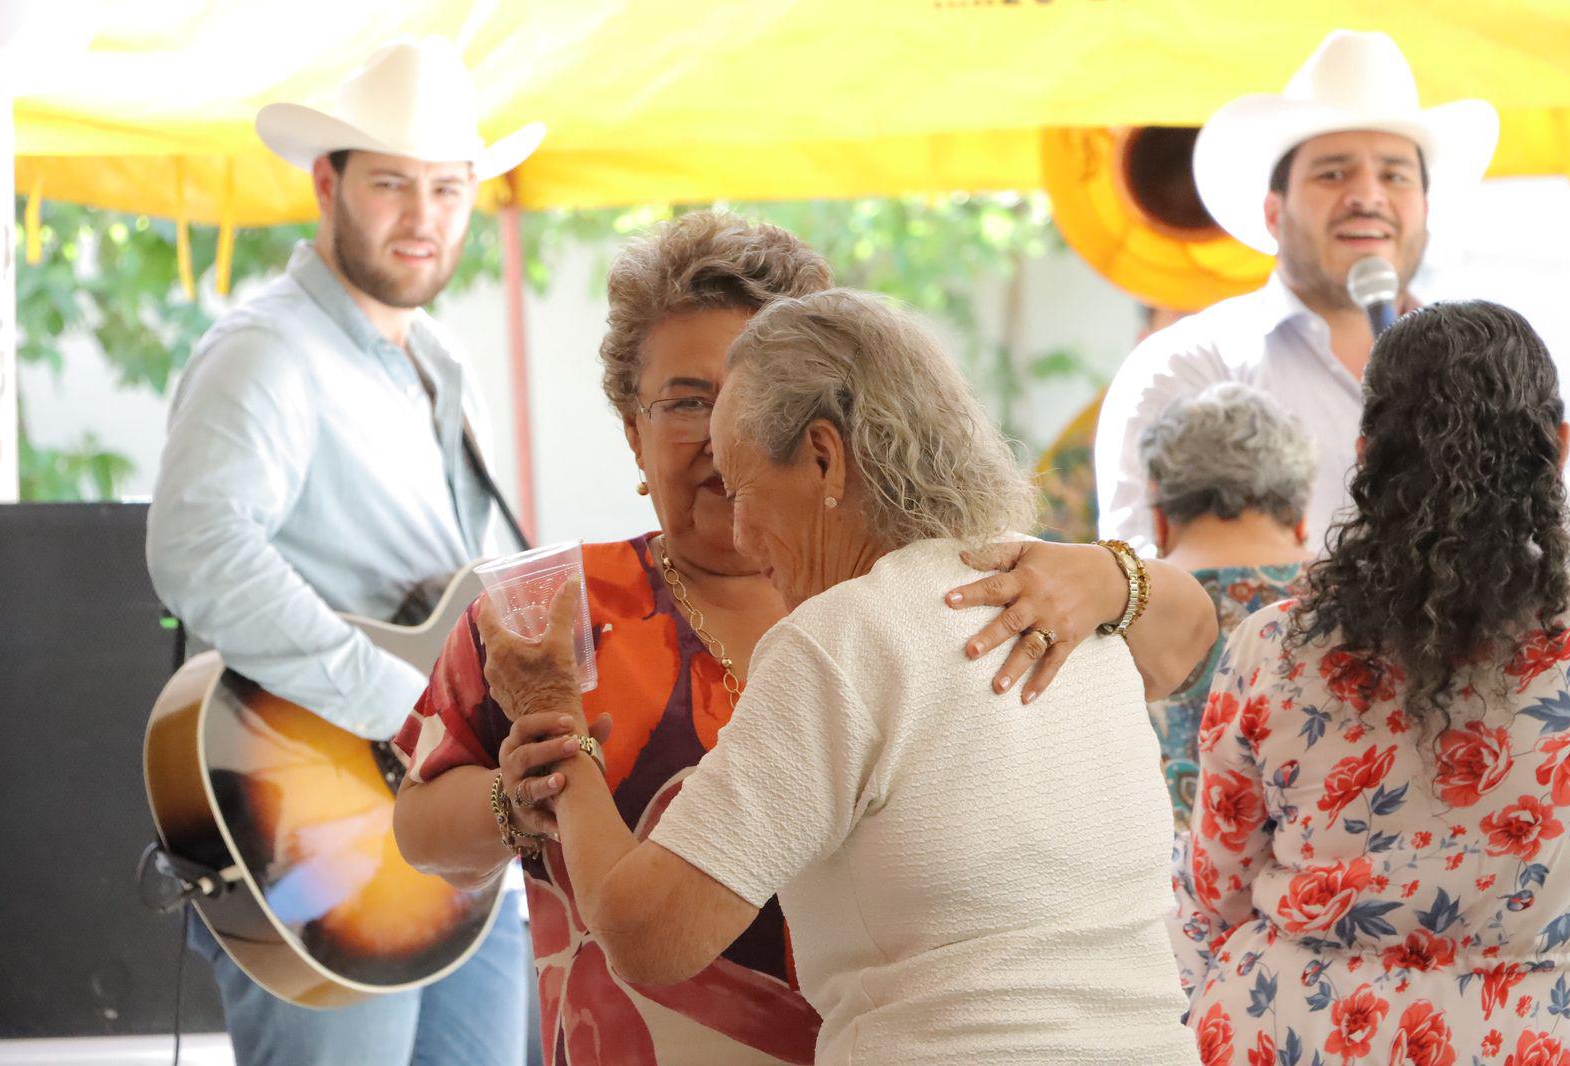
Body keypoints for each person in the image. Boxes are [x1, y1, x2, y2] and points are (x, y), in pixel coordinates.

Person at [391, 214, 1220, 1065]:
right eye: (685, 402)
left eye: (743, 415)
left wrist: (1118, 576)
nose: (721, 458)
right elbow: (418, 828)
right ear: (630, 426)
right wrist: (513, 797)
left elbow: (649, 932)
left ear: (823, 447)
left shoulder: (1034, 596)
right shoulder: (547, 612)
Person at [145, 39, 541, 1066]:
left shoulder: (441, 363)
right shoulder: (265, 352)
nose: (425, 218)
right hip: (320, 836)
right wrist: (400, 709)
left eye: (450, 189)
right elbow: (198, 548)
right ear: (328, 183)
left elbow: (463, 596)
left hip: (458, 839)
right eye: (393, 186)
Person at [1186, 301, 1570, 1064]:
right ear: (1558, 448)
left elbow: (1213, 893)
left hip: (1291, 1031)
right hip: (1538, 1036)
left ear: (1368, 453)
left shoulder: (1273, 645)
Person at [1095, 29, 1505, 555]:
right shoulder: (1187, 367)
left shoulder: (1482, 370)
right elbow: (1142, 588)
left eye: (1396, 175)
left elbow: (1567, 552)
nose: (1366, 196)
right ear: (1273, 213)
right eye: (1333, 173)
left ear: (1426, 209)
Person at [1138, 382, 1316, 829]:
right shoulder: (1362, 595)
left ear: (1160, 508)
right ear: (1300, 512)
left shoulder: (1125, 607)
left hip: (1170, 889)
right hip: (1327, 890)